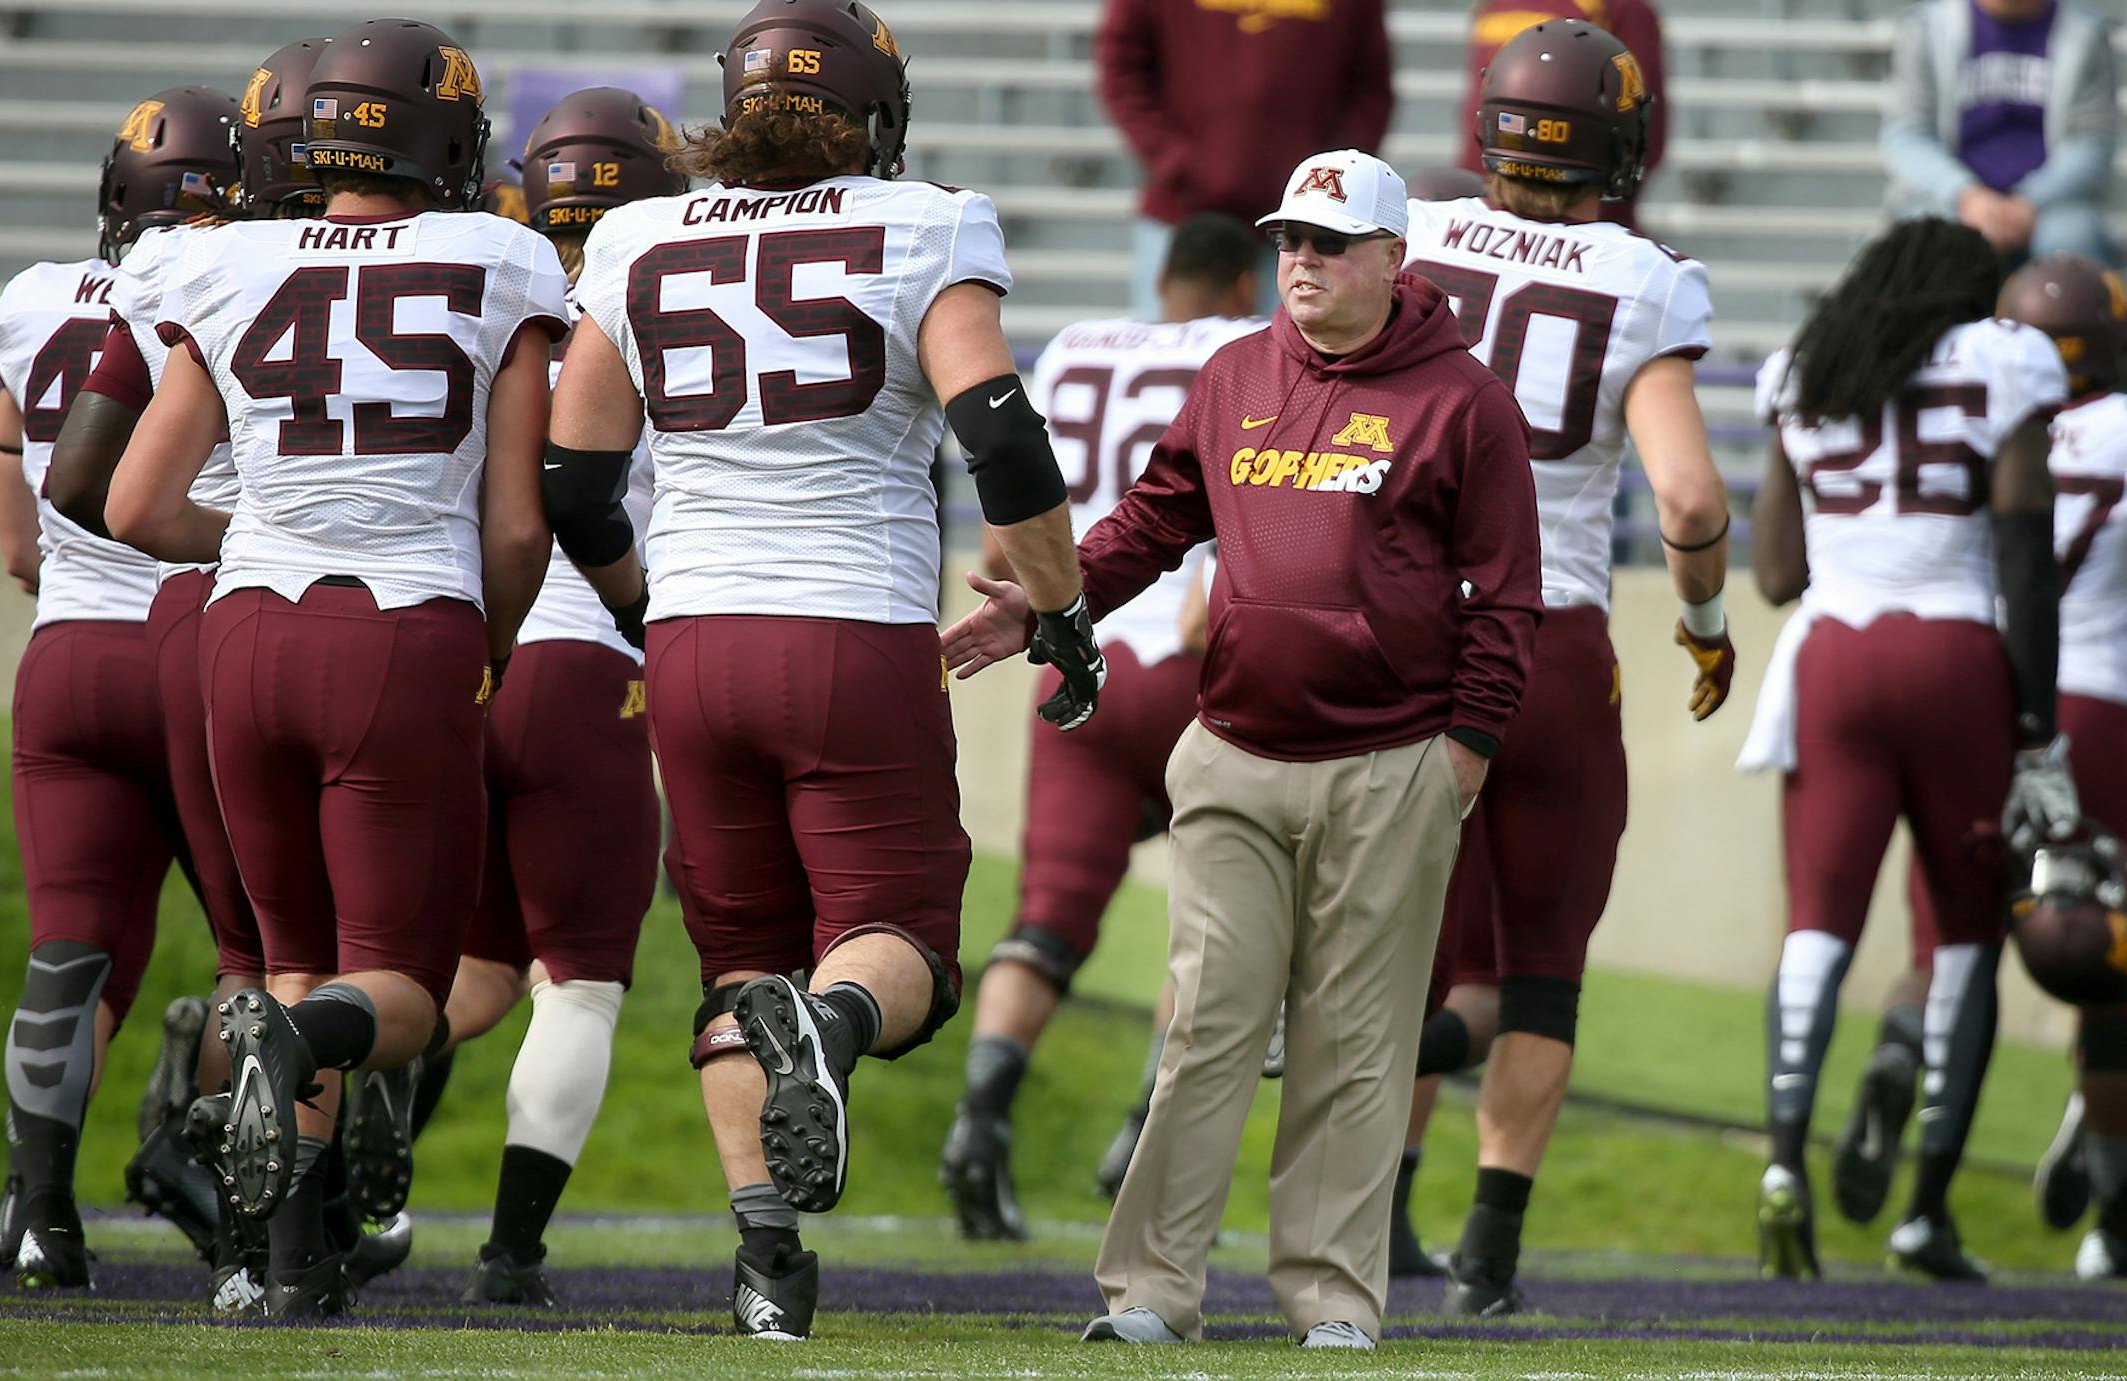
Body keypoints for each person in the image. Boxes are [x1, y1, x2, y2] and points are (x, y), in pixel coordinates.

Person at [544, 0, 1099, 1341]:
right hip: (848, 628)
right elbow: (1001, 436)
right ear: (876, 116)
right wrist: (1061, 603)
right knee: (898, 938)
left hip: (691, 635)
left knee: (739, 952)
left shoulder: (636, 232)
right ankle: (833, 1030)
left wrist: (640, 610)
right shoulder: (926, 222)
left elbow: (574, 476)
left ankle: (766, 1267)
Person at [945, 148, 1543, 1351]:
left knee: (1356, 1041)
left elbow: (1505, 596)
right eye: (1288, 242)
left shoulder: (1465, 400)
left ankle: (1332, 1298)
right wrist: (1054, 604)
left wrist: (1464, 753)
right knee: (1210, 1021)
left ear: (1393, 257)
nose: (1302, 262)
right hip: (1232, 750)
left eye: (1328, 242)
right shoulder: (1234, 370)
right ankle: (1153, 1292)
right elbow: (1158, 520)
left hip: (1394, 759)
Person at [103, 19, 568, 1318]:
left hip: (243, 635)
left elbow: (138, 500)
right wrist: (490, 641)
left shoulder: (231, 261)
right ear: (446, 143)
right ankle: (290, 1056)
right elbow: (520, 525)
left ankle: (277, 1267)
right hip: (404, 622)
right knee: (399, 991)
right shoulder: (501, 257)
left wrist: (259, 537)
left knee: (290, 954)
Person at [1392, 18, 1735, 1317]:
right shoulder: (1644, 275)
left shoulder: (1409, 236)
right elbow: (1693, 501)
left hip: (1404, 636)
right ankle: (1487, 1254)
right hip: (1548, 634)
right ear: (1622, 144)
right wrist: (1704, 623)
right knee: (1538, 967)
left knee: (1403, 950)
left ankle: (1363, 1211)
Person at [46, 39, 358, 1313]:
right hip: (362, 610)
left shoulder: (196, 265)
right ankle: (286, 1236)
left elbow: (79, 484)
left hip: (199, 614)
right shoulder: (442, 260)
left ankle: (258, 1244)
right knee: (343, 946)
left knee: (260, 942)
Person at [1744, 216, 2080, 1283]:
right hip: (1956, 656)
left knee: (1816, 925)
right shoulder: (2005, 358)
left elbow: (1774, 573)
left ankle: (1783, 1163)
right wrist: (2036, 727)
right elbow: (2026, 558)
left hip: (1833, 658)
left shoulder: (1807, 367)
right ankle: (1927, 1208)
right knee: (1966, 934)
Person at [939, 212, 1262, 1242]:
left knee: (1048, 918)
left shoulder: (1078, 348)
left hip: (1080, 660)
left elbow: (1008, 521)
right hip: (1198, 666)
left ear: (1160, 275)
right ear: (1246, 287)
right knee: (1218, 931)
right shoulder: (1246, 352)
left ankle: (979, 1120)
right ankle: (1143, 1133)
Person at [0, 85, 239, 1292]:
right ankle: (258, 1205)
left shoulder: (36, 298)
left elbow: (13, 489)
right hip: (201, 646)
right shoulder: (243, 277)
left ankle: (35, 1215)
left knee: (71, 949)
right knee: (268, 946)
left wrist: (39, 559)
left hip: (71, 655)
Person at [423, 85, 679, 1309]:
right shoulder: (666, 301)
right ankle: (511, 1252)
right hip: (590, 664)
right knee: (578, 979)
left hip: (475, 657)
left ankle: (333, 1147)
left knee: (454, 974)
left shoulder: (496, 305)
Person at [1992, 255, 2127, 1278]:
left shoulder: (1986, 420)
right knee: (2109, 966)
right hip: (2104, 705)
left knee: (1954, 938)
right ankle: (2114, 1203)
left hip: (1990, 698)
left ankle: (1923, 1188)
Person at [1095, 0, 1392, 319]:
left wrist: (1324, 183)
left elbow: (1370, 87)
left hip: (1301, 226)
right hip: (1184, 217)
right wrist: (1177, 163)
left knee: (1298, 362)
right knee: (1174, 357)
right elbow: (1122, 67)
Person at [1882, 0, 2119, 265]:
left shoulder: (2084, 33)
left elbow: (2092, 143)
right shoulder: (1926, 29)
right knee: (1926, 239)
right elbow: (1907, 137)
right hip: (1951, 200)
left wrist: (2029, 201)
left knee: (2073, 240)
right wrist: (1967, 196)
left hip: (2050, 206)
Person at [1453, 0, 1668, 226]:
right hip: (1488, 201)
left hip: (1574, 214)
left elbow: (1636, 116)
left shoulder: (1619, 8)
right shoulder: (1494, 5)